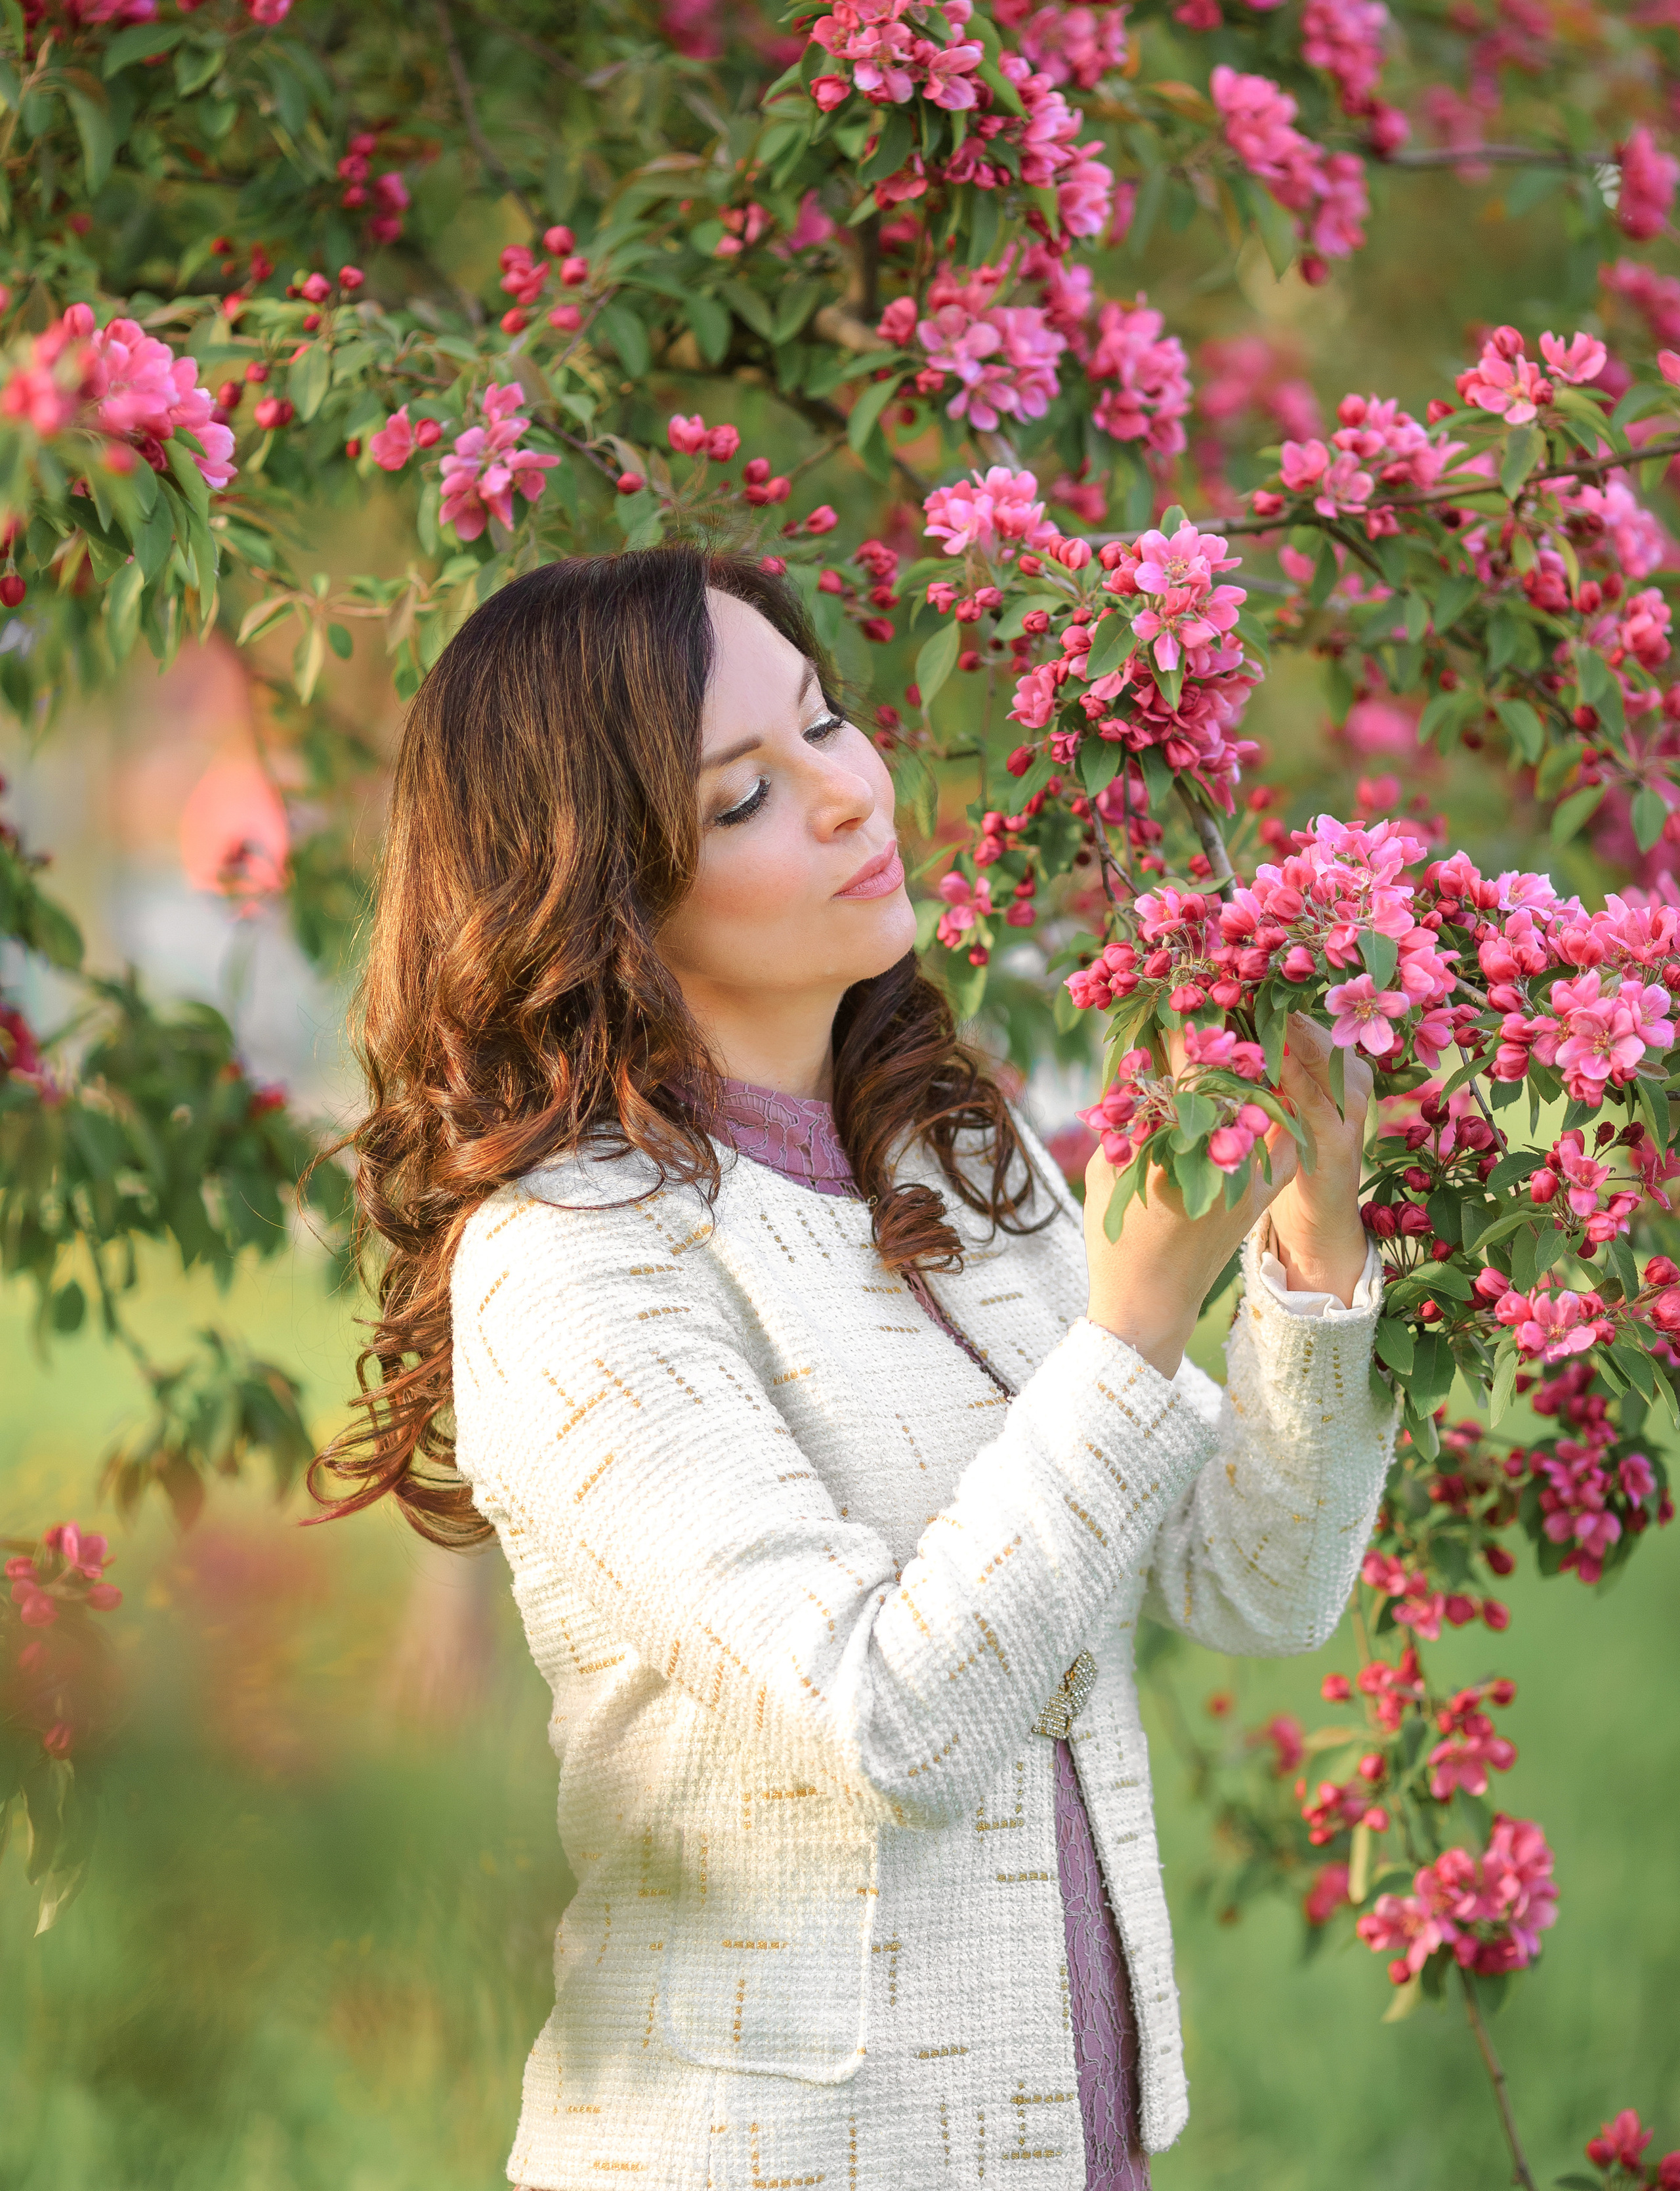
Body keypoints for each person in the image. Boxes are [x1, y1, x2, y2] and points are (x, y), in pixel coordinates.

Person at [315, 545, 1395, 2191]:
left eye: (826, 722)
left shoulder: (954, 1155)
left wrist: (1311, 1236)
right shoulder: (572, 1260)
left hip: (1065, 2143)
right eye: (744, 795)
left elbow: (1252, 1585)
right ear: (599, 888)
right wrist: (1131, 1326)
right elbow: (884, 1724)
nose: (847, 794)